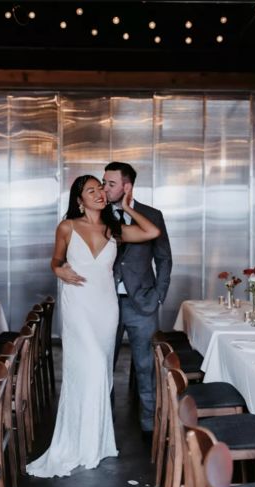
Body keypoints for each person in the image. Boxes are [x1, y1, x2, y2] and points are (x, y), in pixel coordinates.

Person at [27, 175, 160, 478]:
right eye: (92, 190)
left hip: (105, 307)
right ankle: (77, 440)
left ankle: (97, 441)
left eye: (101, 188)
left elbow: (151, 231)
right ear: (79, 199)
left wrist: (127, 205)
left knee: (100, 373)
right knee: (91, 368)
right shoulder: (67, 227)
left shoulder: (114, 230)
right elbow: (56, 261)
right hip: (78, 306)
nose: (100, 193)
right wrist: (60, 271)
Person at [103, 162, 172, 438]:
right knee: (104, 364)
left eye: (110, 183)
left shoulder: (152, 215)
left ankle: (150, 426)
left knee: (146, 367)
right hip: (104, 302)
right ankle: (102, 422)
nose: (105, 188)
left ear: (126, 186)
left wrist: (158, 295)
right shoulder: (97, 215)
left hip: (141, 303)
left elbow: (164, 258)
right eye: (103, 182)